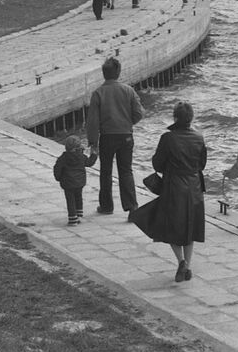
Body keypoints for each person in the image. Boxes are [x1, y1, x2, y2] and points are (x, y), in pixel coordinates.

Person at [132, 101, 207, 282]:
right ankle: (186, 265)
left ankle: (181, 261)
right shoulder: (199, 137)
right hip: (194, 187)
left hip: (174, 186)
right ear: (191, 118)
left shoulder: (168, 138)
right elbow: (202, 164)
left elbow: (157, 163)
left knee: (172, 226)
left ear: (175, 117)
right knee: (190, 228)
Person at [86, 56, 144, 214]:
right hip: (125, 135)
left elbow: (92, 122)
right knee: (126, 170)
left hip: (107, 137)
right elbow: (139, 113)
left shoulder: (98, 93)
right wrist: (127, 122)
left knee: (106, 171)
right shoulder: (128, 91)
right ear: (119, 72)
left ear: (103, 73)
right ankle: (132, 207)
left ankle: (106, 206)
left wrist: (93, 143)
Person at [53, 135, 98, 226]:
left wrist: (59, 178)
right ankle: (79, 214)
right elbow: (89, 163)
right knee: (78, 197)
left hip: (68, 183)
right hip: (79, 182)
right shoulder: (81, 157)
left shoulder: (63, 158)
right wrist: (94, 154)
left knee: (70, 200)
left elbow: (57, 169)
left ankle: (73, 218)